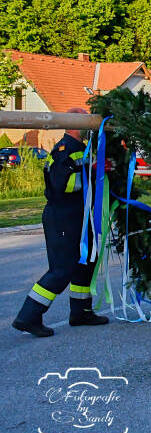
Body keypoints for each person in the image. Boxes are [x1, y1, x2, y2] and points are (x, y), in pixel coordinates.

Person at [12, 108, 109, 337]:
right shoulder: (65, 151)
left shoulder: (81, 149)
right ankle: (28, 316)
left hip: (79, 215)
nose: (90, 127)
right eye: (86, 122)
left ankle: (81, 311)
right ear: (75, 124)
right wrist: (90, 170)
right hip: (63, 216)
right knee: (62, 269)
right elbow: (62, 186)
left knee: (86, 262)